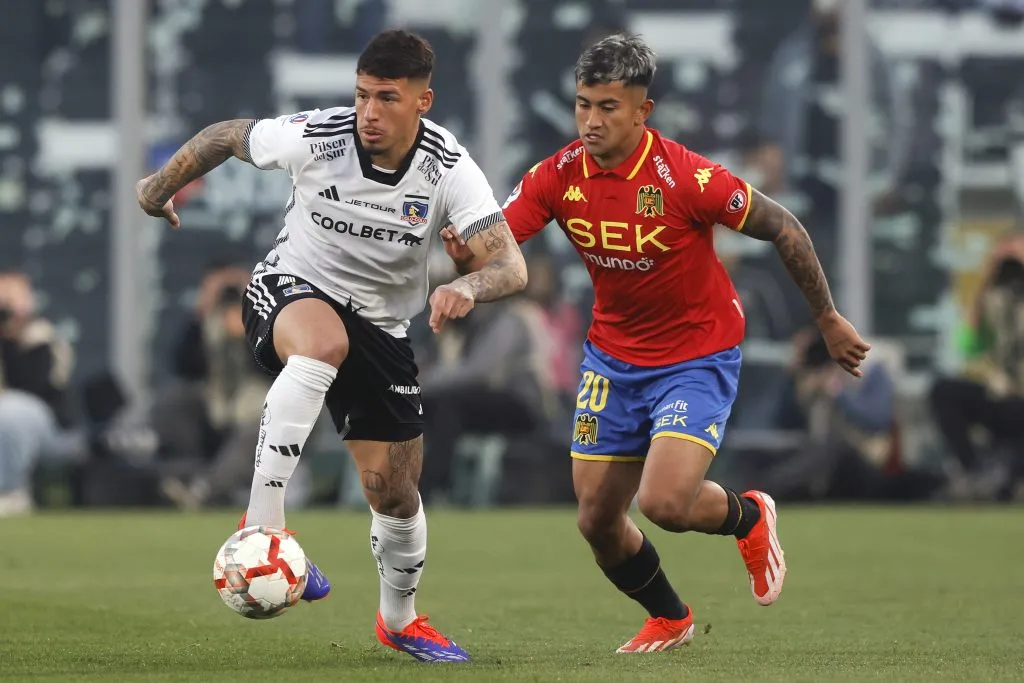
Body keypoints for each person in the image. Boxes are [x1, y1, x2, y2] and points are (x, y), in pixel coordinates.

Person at [443, 34, 870, 653]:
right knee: (595, 520)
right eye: (583, 104)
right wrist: (465, 259)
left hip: (696, 354)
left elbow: (785, 227)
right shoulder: (556, 175)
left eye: (608, 107)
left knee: (664, 502)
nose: (591, 120)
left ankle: (750, 517)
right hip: (612, 359)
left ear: (642, 111)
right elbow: (498, 246)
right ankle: (670, 617)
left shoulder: (687, 176)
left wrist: (828, 317)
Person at [137, 29, 527, 662]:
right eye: (362, 95)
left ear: (422, 101)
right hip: (291, 287)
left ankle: (399, 621)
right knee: (320, 342)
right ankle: (264, 526)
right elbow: (225, 135)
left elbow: (511, 266)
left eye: (387, 99)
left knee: (394, 493)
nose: (369, 113)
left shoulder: (448, 167)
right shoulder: (319, 135)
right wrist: (157, 187)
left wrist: (472, 287)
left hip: (381, 328)